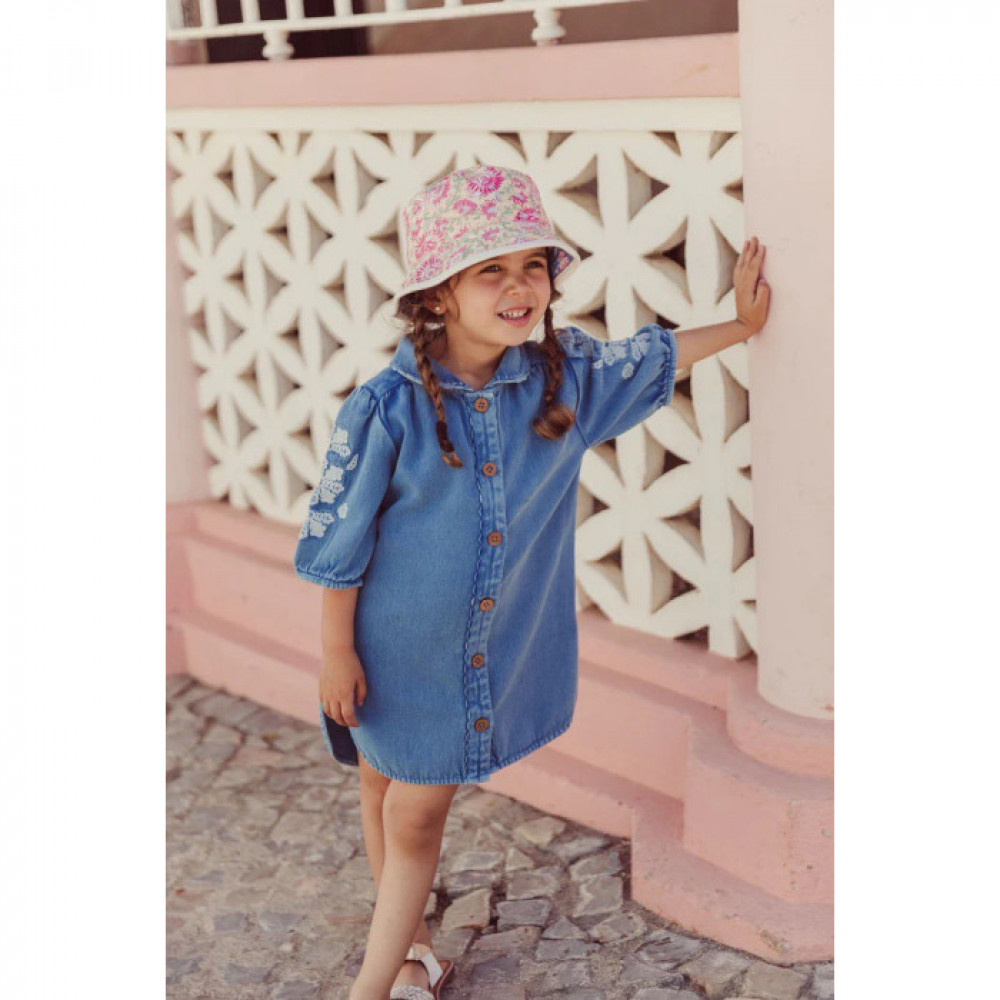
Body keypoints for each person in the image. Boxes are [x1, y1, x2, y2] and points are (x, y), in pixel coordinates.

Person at [293, 164, 770, 1000]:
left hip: (474, 657)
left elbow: (651, 358)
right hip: (390, 649)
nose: (519, 287)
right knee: (382, 784)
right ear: (438, 294)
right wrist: (337, 652)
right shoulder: (386, 408)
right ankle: (402, 959)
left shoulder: (565, 380)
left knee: (413, 810)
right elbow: (342, 542)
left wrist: (739, 325)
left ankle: (378, 979)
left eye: (533, 266)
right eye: (491, 270)